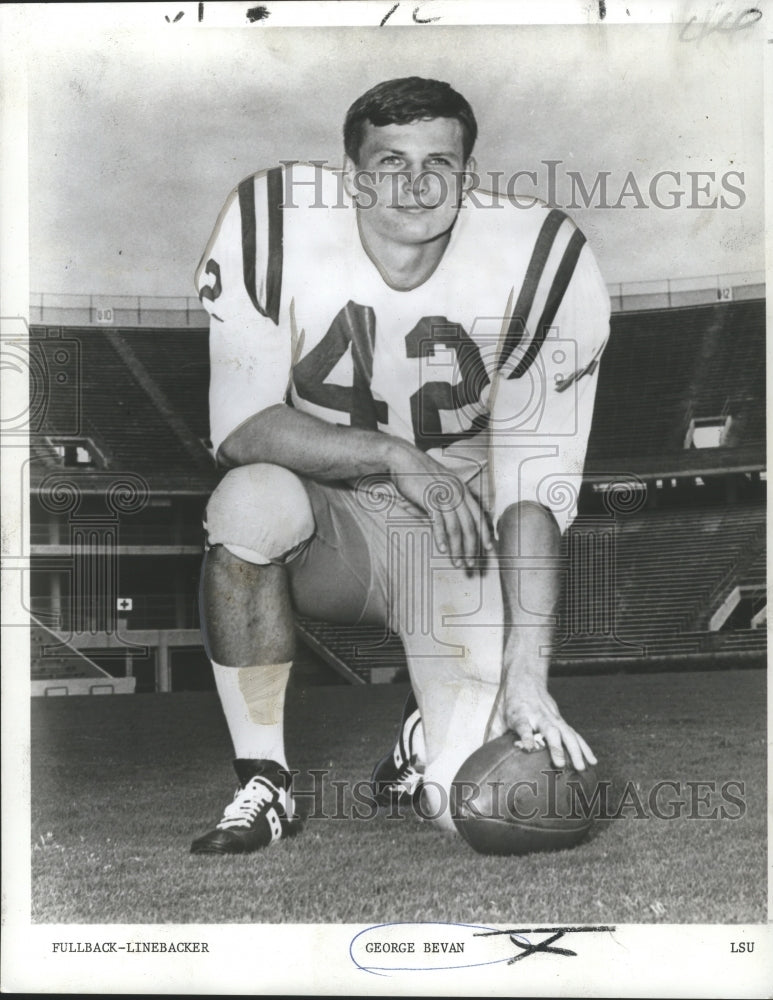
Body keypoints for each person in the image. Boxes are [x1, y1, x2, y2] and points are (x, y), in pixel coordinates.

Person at [190, 77, 610, 854]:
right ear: (352, 175)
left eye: (439, 165)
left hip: (461, 538)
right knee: (248, 500)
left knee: (474, 807)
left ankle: (425, 742)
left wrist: (526, 670)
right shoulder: (268, 222)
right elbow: (240, 428)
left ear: (467, 176)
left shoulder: (542, 260)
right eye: (389, 162)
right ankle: (265, 778)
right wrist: (393, 455)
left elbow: (531, 497)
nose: (415, 185)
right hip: (332, 522)